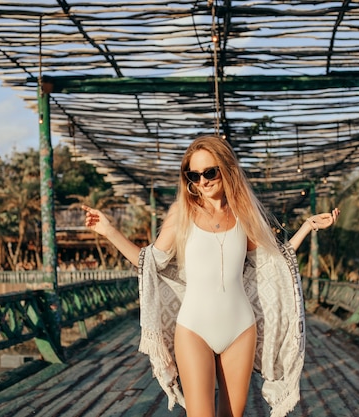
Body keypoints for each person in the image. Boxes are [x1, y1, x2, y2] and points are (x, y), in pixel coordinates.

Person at [83, 134, 339, 417]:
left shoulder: (244, 213)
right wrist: (109, 231)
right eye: (193, 174)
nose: (202, 181)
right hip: (194, 329)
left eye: (209, 172)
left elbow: (272, 265)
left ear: (226, 169)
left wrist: (307, 226)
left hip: (241, 328)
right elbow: (148, 263)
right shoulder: (181, 213)